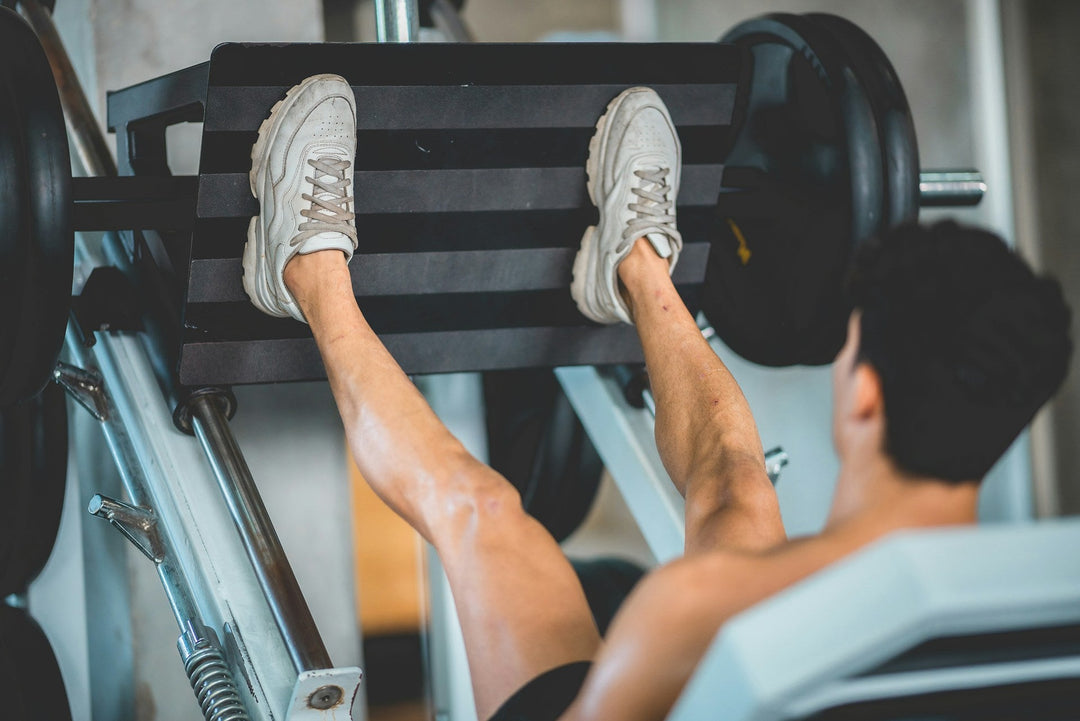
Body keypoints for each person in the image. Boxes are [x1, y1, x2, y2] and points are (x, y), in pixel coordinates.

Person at [241, 75, 1072, 721]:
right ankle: (636, 265)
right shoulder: (1049, 599)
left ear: (864, 395)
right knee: (738, 487)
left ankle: (305, 270)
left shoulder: (704, 610)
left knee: (479, 511)